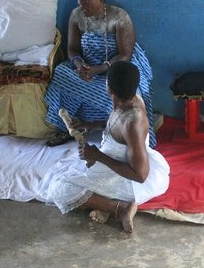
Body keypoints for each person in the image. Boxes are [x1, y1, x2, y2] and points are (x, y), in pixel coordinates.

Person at [39, 61, 170, 234]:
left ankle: (119, 207)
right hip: (110, 164)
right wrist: (91, 125)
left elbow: (141, 175)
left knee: (58, 188)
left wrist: (98, 156)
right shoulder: (128, 98)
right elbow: (115, 125)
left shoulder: (133, 122)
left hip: (126, 179)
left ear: (108, 88)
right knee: (63, 173)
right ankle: (109, 204)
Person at [45, 0, 156, 147]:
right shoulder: (76, 15)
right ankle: (69, 126)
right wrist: (80, 65)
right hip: (87, 66)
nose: (82, 2)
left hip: (115, 66)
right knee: (61, 73)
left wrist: (98, 70)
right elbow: (72, 49)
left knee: (122, 87)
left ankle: (121, 128)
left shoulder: (119, 17)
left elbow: (125, 54)